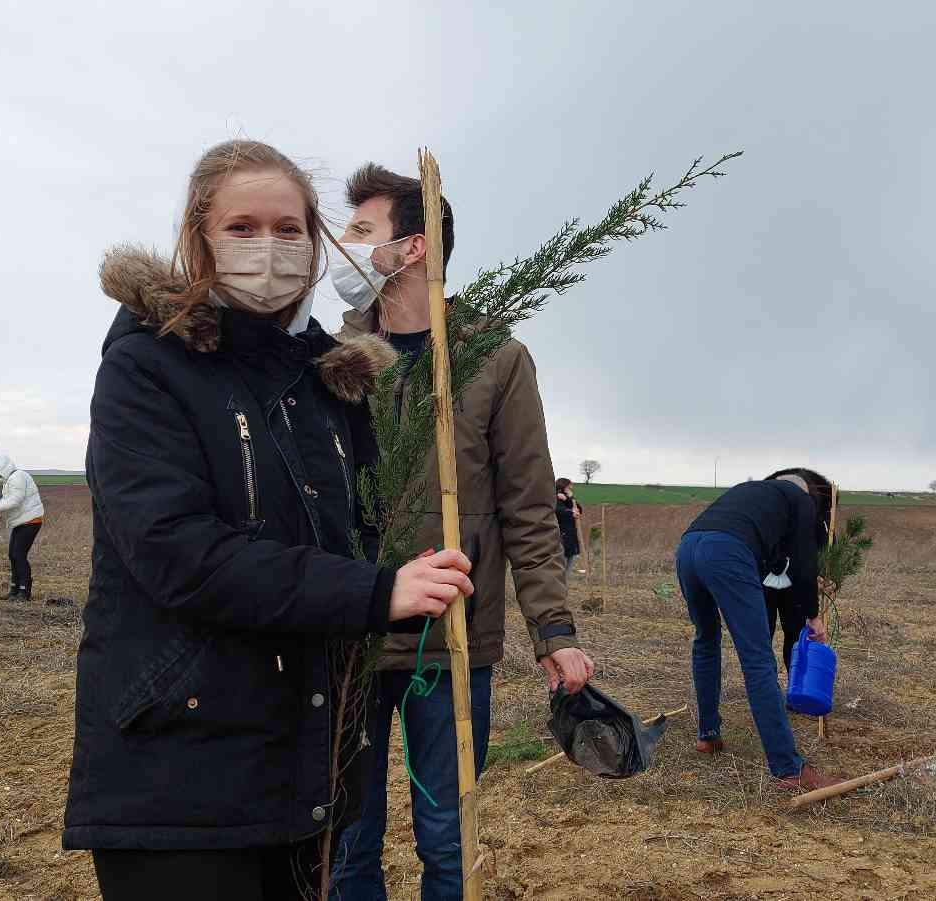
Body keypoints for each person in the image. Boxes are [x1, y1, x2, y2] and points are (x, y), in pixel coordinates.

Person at [63, 139, 476, 899]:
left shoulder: (327, 381)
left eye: (289, 230)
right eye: (243, 227)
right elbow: (176, 552)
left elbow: (343, 536)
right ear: (198, 237)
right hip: (178, 773)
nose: (269, 248)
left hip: (298, 763)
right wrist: (373, 591)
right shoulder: (146, 369)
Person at [330, 162, 594, 901]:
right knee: (347, 843)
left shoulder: (495, 360)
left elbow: (528, 506)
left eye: (360, 232)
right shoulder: (336, 360)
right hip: (347, 632)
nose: (341, 248)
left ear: (412, 247)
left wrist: (555, 629)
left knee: (448, 842)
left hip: (449, 643)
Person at [675, 469, 837, 791]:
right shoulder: (801, 500)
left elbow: (773, 560)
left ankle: (708, 735)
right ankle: (789, 769)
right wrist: (813, 616)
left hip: (688, 549)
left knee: (706, 639)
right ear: (808, 494)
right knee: (758, 659)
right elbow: (804, 564)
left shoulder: (753, 492)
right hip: (727, 552)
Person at [0, 455, 43, 600]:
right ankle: (14, 589)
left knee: (19, 555)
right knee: (13, 555)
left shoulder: (17, 477)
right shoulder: (12, 479)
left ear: (2, 467)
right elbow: (6, 501)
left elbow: (14, 500)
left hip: (30, 521)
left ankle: (24, 591)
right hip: (22, 522)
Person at [555, 477, 584, 576]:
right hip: (561, 535)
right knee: (560, 566)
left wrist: (569, 498)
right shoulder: (555, 497)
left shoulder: (567, 498)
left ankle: (564, 589)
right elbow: (557, 511)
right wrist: (571, 512)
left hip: (570, 535)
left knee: (569, 564)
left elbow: (579, 510)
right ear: (563, 486)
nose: (571, 488)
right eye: (569, 486)